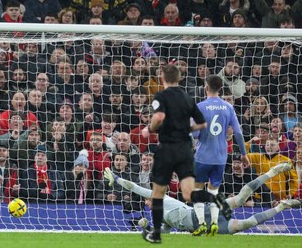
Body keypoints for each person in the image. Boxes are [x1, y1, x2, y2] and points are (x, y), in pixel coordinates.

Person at [140, 65, 225, 244]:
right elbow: (202, 124)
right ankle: (215, 199)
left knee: (158, 192)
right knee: (188, 194)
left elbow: (159, 117)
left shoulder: (161, 96)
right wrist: (187, 128)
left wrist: (149, 129)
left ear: (163, 78)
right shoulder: (188, 98)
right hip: (186, 150)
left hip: (168, 149)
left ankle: (155, 233)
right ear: (179, 78)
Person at [103, 162, 300, 235]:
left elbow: (136, 188)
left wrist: (117, 179)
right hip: (200, 227)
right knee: (245, 224)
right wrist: (145, 226)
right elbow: (165, 232)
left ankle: (272, 172)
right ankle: (282, 207)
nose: (148, 202)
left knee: (240, 198)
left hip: (204, 213)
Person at [192, 75, 249, 236]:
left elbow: (194, 134)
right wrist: (244, 154)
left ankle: (202, 223)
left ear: (206, 87)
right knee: (214, 191)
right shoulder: (228, 107)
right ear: (220, 88)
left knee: (197, 190)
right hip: (220, 157)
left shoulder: (200, 107)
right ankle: (215, 223)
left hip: (202, 156)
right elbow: (238, 132)